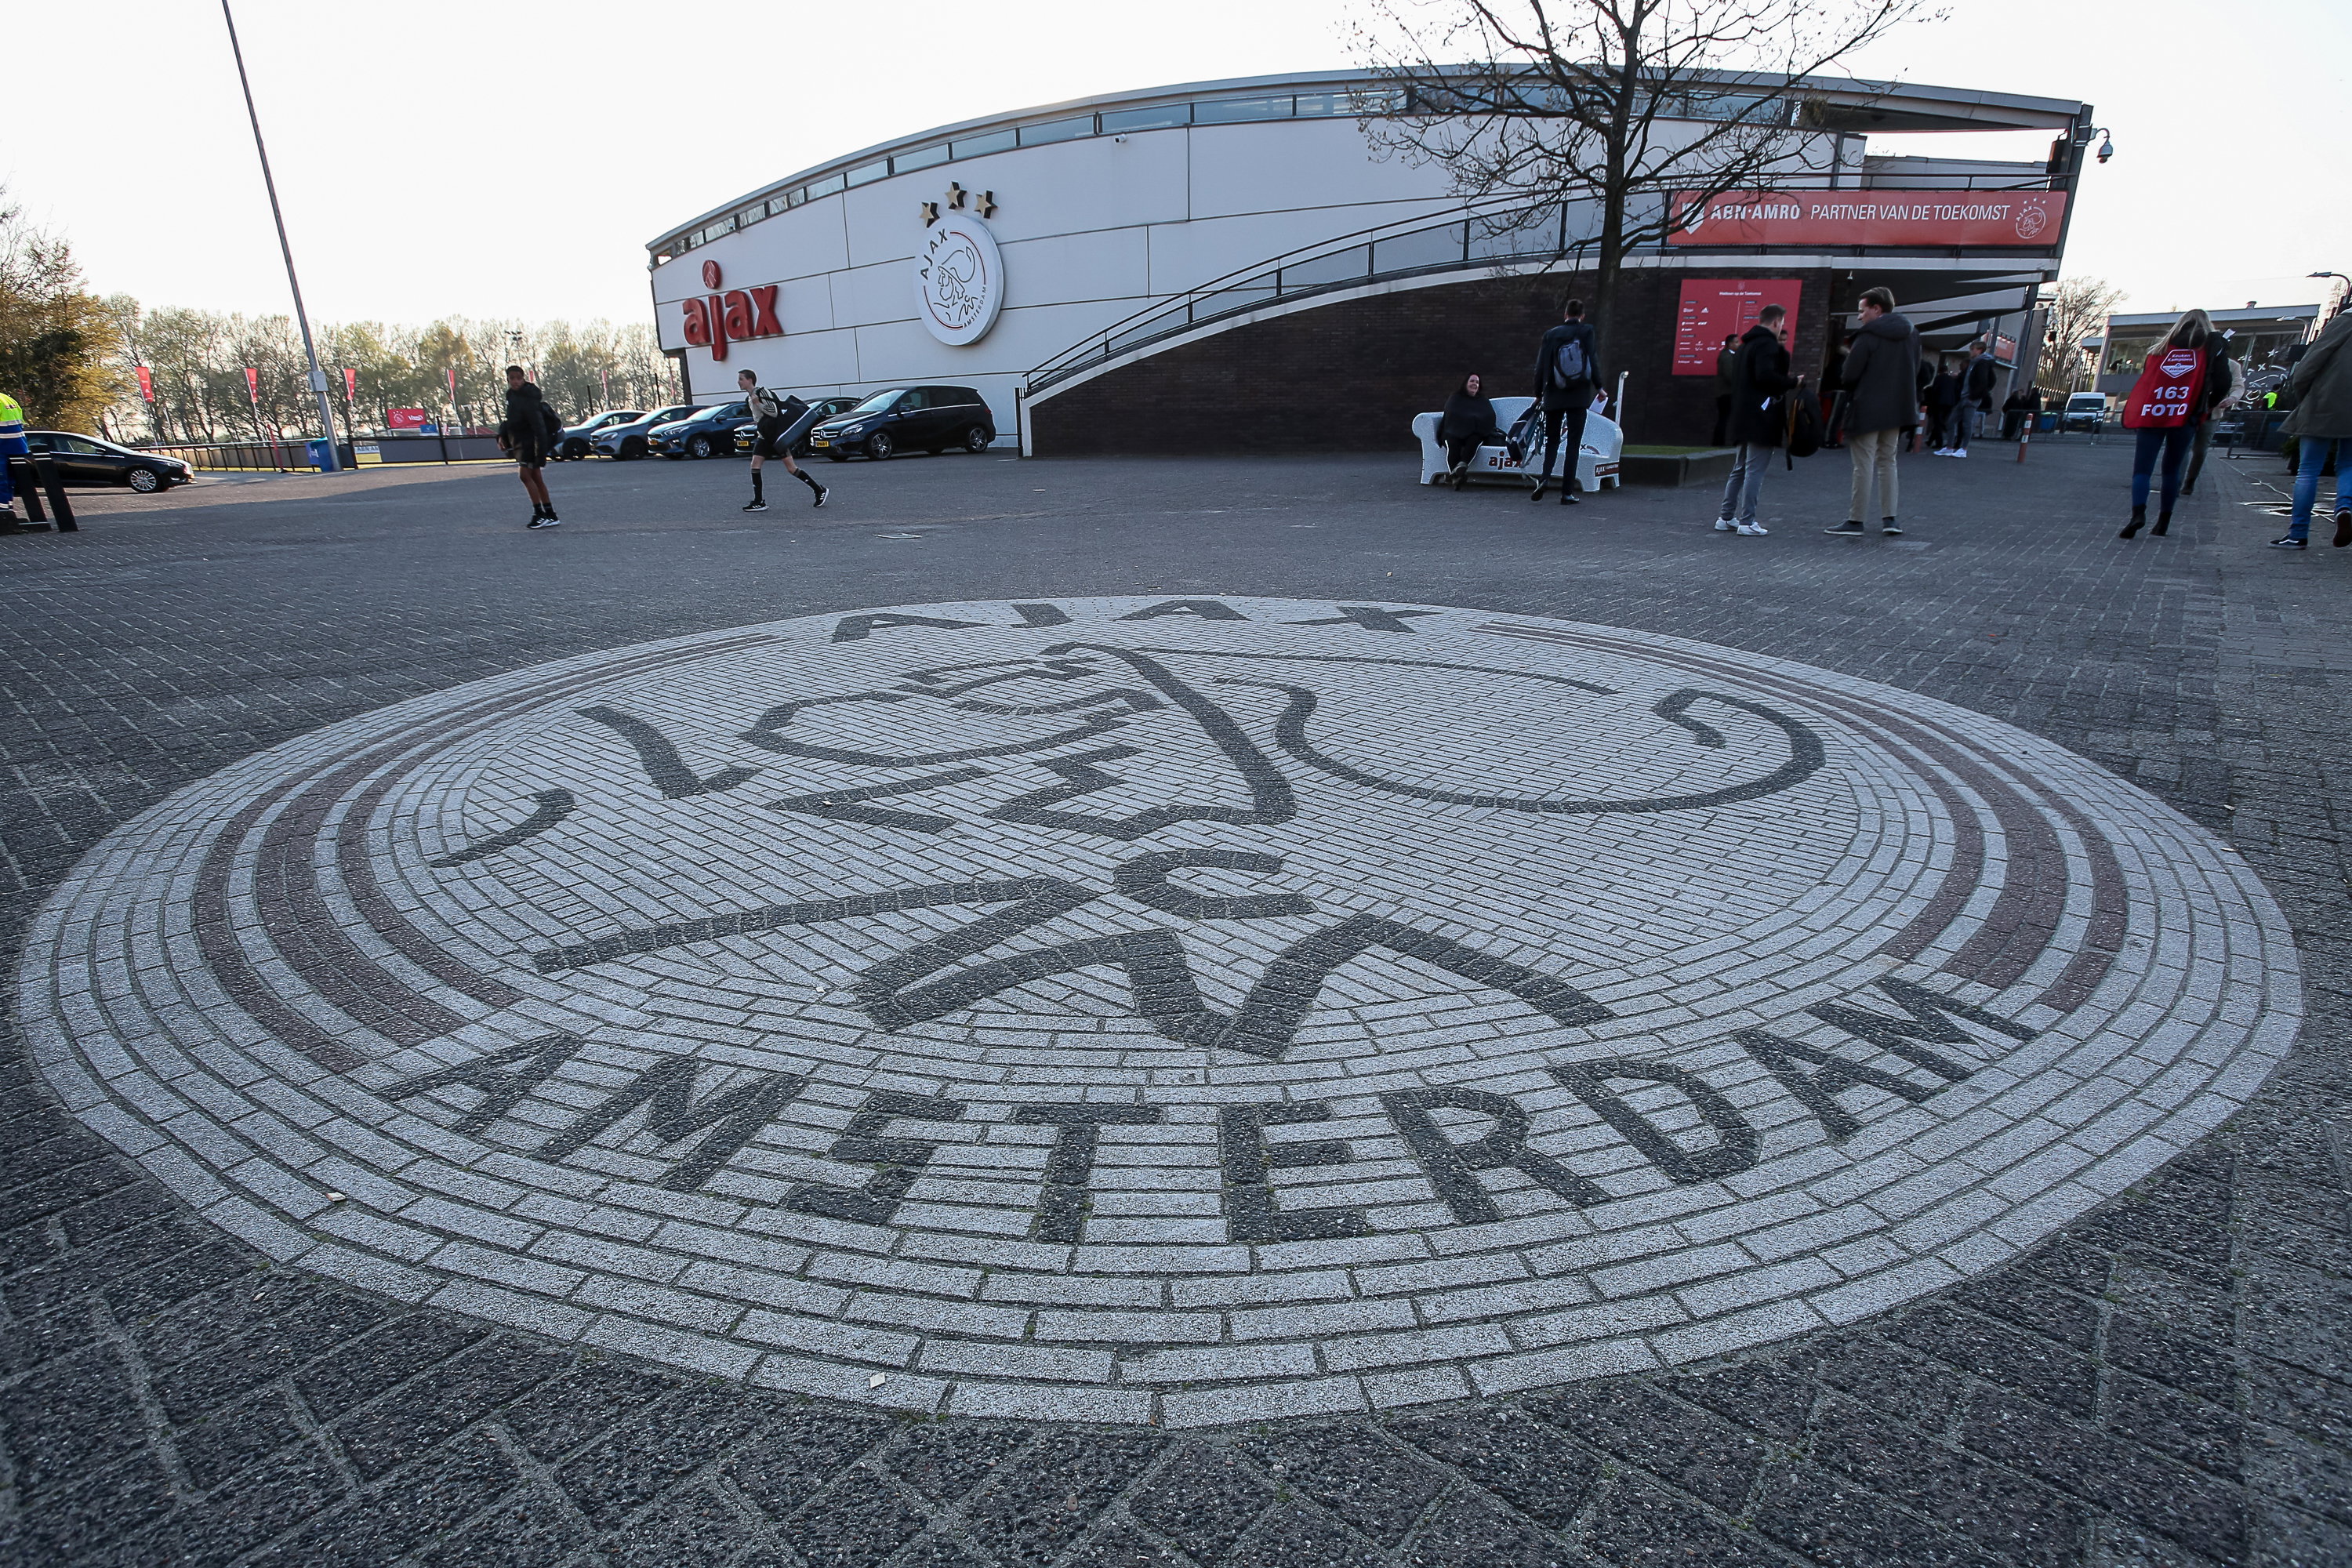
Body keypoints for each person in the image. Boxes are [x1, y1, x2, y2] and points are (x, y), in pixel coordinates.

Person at [1825, 286, 1919, 537]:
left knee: (1863, 464)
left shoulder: (1867, 336)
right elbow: (1916, 370)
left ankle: (1856, 520)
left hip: (1867, 408)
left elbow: (1849, 375)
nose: (1859, 317)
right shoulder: (1912, 335)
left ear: (1876, 309)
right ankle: (1891, 519)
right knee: (1888, 462)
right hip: (1897, 409)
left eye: (1862, 310)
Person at [2118, 308, 2216, 539]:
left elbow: (2147, 382)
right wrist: (2207, 404)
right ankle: (2163, 522)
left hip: (2153, 413)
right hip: (2185, 416)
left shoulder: (2159, 351)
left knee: (2142, 470)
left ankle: (2137, 515)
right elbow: (2222, 382)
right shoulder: (2208, 351)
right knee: (2171, 470)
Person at [1714, 303, 1800, 536]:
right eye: (1781, 323)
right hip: (1762, 416)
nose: (1781, 327)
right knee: (1755, 469)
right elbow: (1766, 376)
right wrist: (1793, 382)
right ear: (1775, 322)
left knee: (1740, 468)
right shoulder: (1767, 345)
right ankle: (1747, 521)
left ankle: (1726, 517)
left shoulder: (1744, 346)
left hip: (1742, 414)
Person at [2270, 302, 2352, 550]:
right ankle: (2345, 507)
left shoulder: (2345, 321)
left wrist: (2304, 394)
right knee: (2349, 465)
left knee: (2308, 470)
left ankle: (2297, 535)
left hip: (2325, 402)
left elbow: (2311, 362)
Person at [1530, 298, 1600, 505]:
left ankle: (1544, 479)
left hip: (1554, 393)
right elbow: (1593, 360)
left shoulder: (1551, 335)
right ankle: (1567, 493)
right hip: (1578, 396)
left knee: (1551, 441)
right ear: (1582, 316)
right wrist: (1600, 386)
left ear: (1565, 315)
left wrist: (1538, 392)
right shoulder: (1586, 331)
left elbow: (1541, 366)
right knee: (1573, 444)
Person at [738, 369, 829, 511]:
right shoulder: (750, 398)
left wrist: (759, 403)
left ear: (750, 380)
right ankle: (758, 501)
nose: (739, 382)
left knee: (791, 468)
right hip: (764, 437)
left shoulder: (762, 392)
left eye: (741, 379)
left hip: (774, 437)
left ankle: (819, 490)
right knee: (755, 465)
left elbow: (774, 412)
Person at [498, 365, 560, 528]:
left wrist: (541, 452)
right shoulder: (512, 396)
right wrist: (501, 435)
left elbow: (538, 426)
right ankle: (550, 514)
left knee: (525, 476)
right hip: (521, 443)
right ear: (508, 379)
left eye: (519, 378)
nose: (516, 381)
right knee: (536, 478)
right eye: (512, 378)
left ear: (524, 378)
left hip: (530, 444)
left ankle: (540, 514)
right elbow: (510, 420)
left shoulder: (528, 398)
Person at [2178, 333, 2238, 498]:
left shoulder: (2231, 366)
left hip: (2212, 413)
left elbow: (2237, 385)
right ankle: (2177, 481)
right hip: (2190, 412)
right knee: (2182, 448)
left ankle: (2190, 481)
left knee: (2201, 450)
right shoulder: (2196, 361)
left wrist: (2232, 398)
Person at [1436, 372, 1504, 489]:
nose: (1475, 384)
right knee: (1453, 444)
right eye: (1472, 381)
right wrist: (1470, 420)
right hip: (1453, 430)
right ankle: (1457, 474)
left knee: (1475, 440)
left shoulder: (1483, 400)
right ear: (1465, 383)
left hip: (1474, 432)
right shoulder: (1455, 398)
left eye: (1477, 382)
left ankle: (1459, 470)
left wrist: (1474, 422)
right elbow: (1452, 413)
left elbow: (1489, 416)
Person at [1952, 338, 1998, 456]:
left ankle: (1963, 449)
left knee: (1966, 423)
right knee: (1952, 421)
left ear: (1979, 350)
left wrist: (1975, 396)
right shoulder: (1974, 363)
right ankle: (1951, 447)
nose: (1970, 352)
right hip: (1966, 396)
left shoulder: (1982, 363)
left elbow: (1988, 381)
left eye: (1973, 349)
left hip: (1970, 398)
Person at [1926, 360, 1963, 454]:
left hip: (1939, 402)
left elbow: (1935, 390)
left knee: (1938, 422)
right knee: (1942, 421)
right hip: (1950, 403)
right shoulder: (1952, 379)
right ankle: (1931, 441)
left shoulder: (1939, 378)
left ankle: (1939, 442)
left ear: (1939, 371)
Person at [0, 390, 25, 527]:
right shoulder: (7, 399)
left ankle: (3, 513)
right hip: (17, 444)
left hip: (2, 444)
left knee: (1, 480)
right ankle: (7, 510)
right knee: (8, 481)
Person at [1711, 334, 1738, 446]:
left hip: (1725, 392)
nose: (1738, 344)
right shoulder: (1727, 357)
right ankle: (1719, 443)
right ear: (1730, 344)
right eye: (1736, 342)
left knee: (1724, 418)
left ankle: (1719, 442)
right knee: (1725, 418)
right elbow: (1730, 376)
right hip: (1727, 393)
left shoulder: (1728, 356)